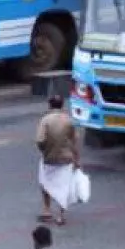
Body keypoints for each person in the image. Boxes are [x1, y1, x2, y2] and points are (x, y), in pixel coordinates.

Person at [36, 95, 81, 226]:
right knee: (64, 186)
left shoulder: (45, 120)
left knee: (44, 181)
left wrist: (44, 150)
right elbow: (74, 141)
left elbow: (40, 140)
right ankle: (61, 215)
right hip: (66, 158)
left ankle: (46, 210)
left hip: (49, 158)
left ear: (50, 105)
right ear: (62, 105)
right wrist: (77, 159)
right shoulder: (69, 120)